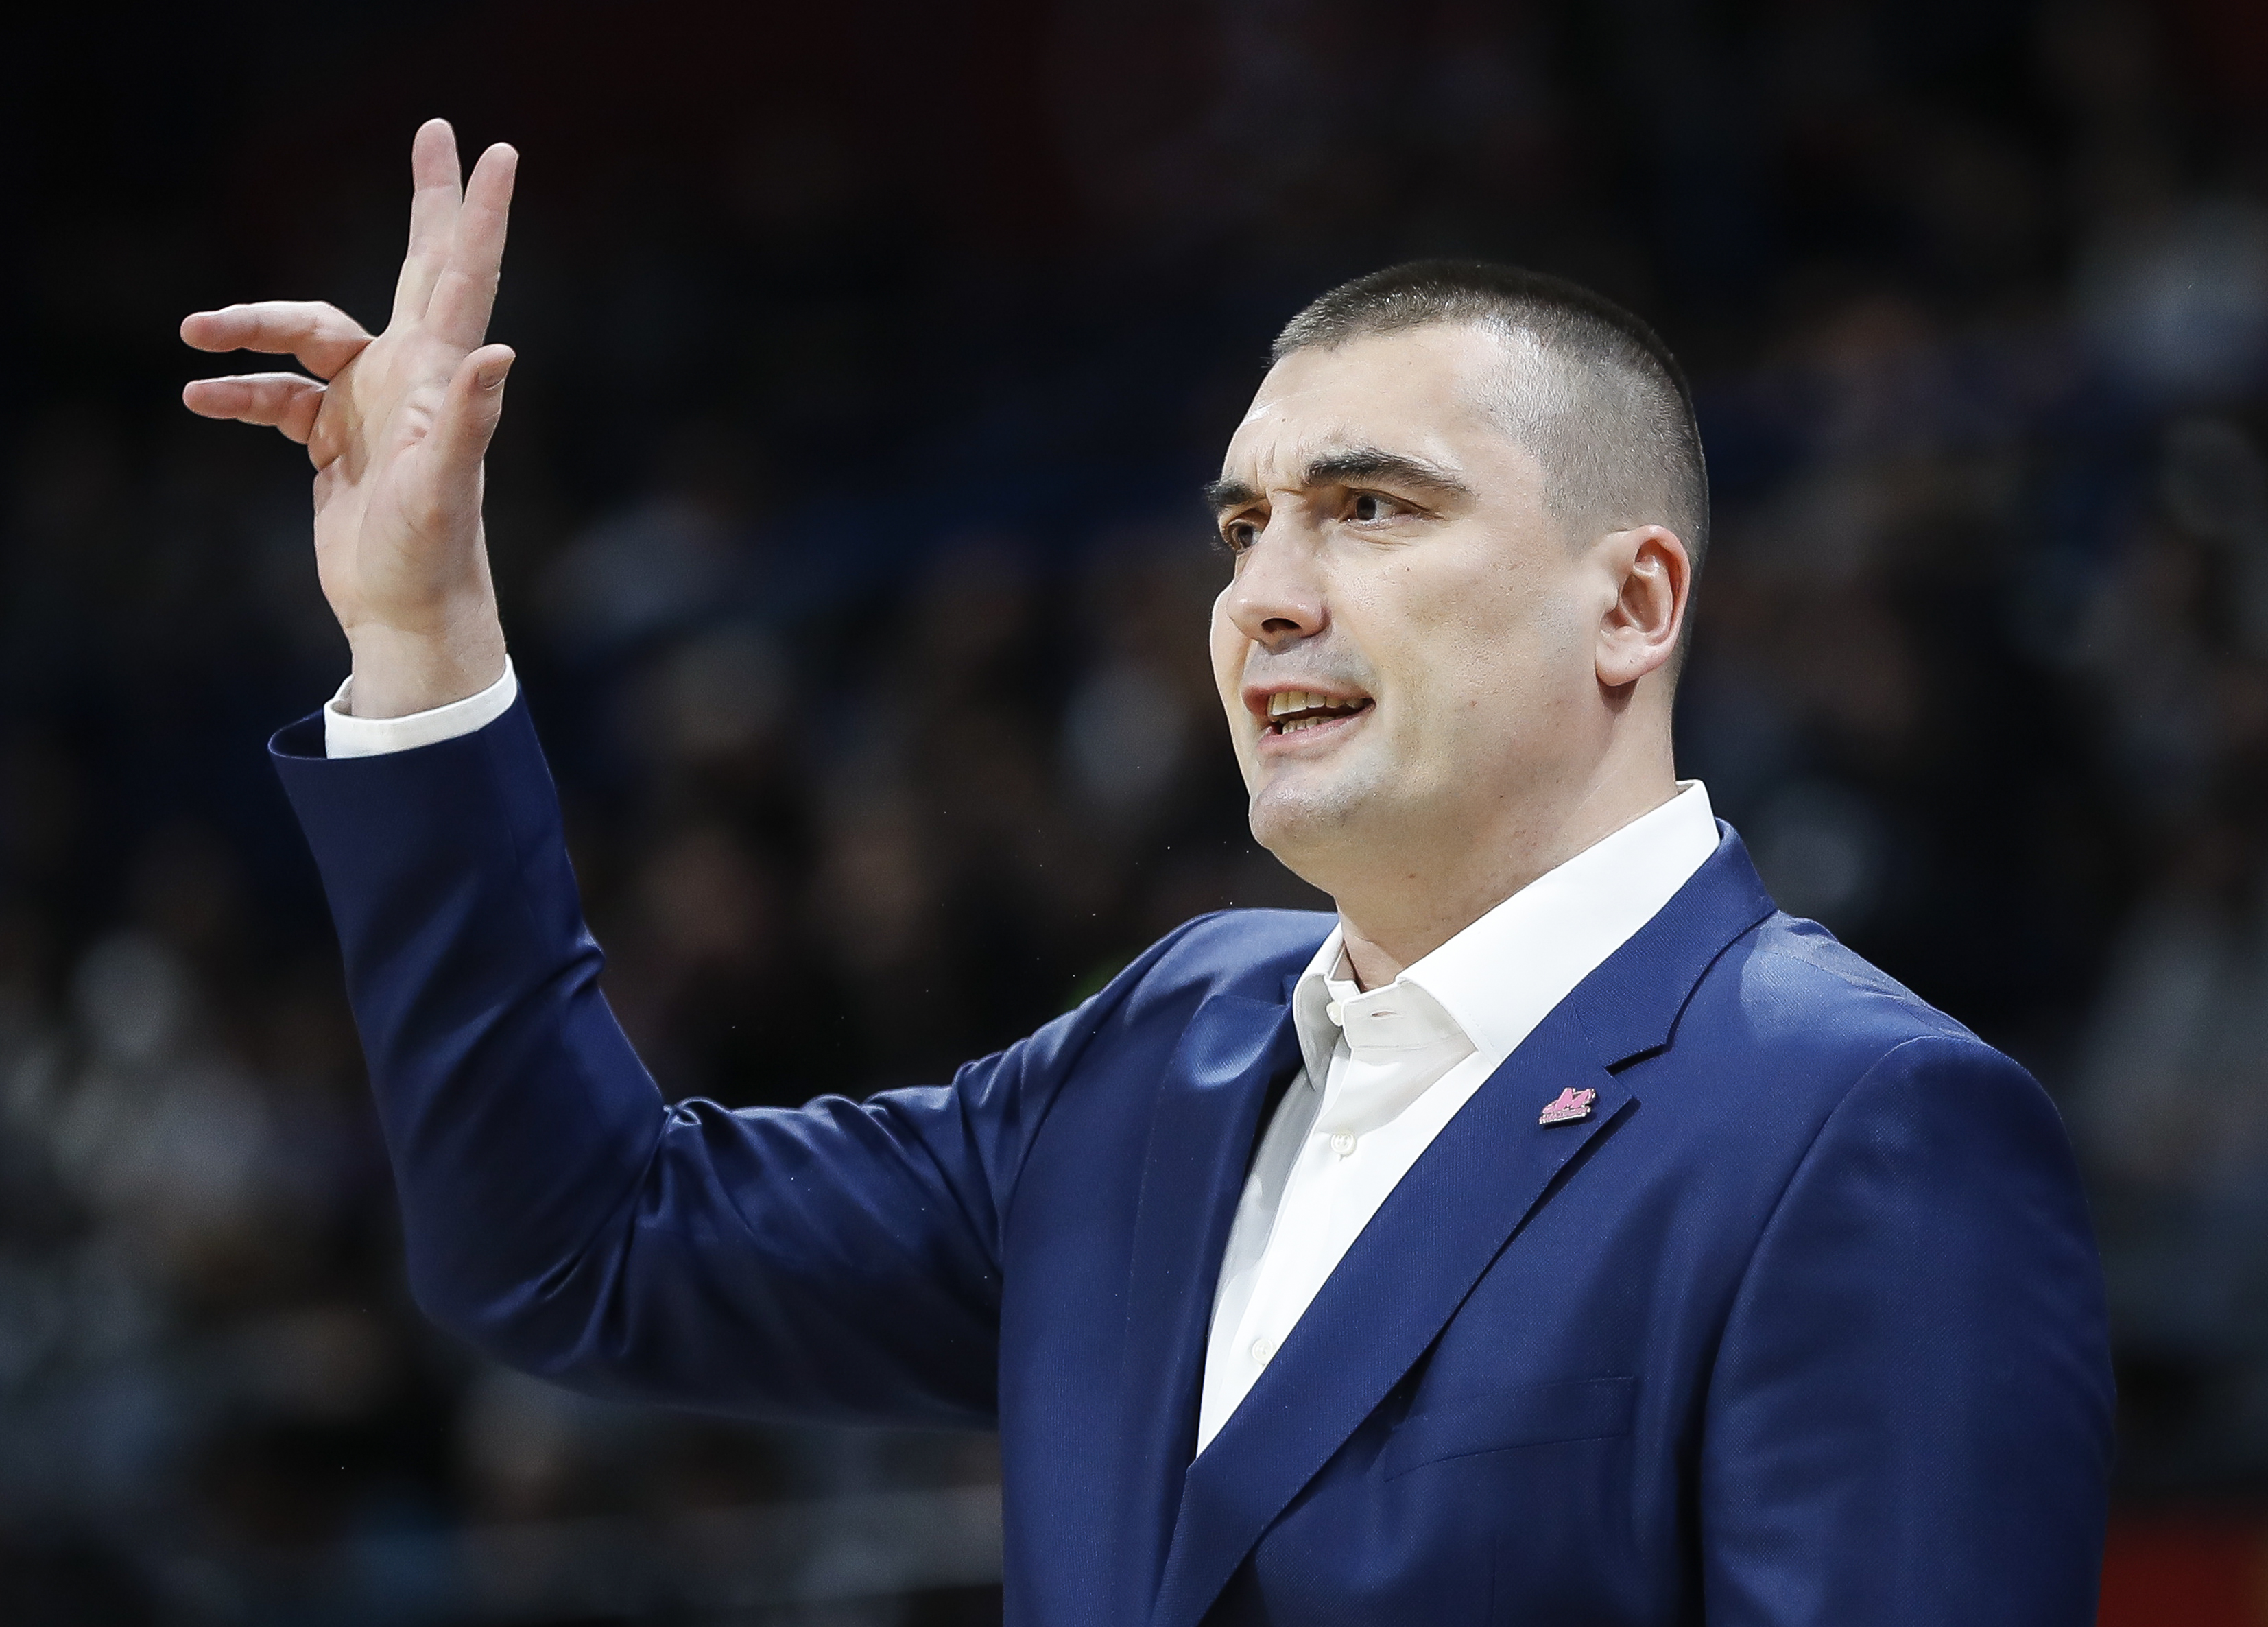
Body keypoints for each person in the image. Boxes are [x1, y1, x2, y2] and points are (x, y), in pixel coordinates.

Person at [181, 121, 2113, 1625]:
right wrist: (422, 637)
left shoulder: (1860, 1119)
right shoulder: (1156, 1054)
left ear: (1627, 603)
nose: (1265, 592)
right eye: (1241, 524)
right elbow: (573, 1244)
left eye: (1366, 508)